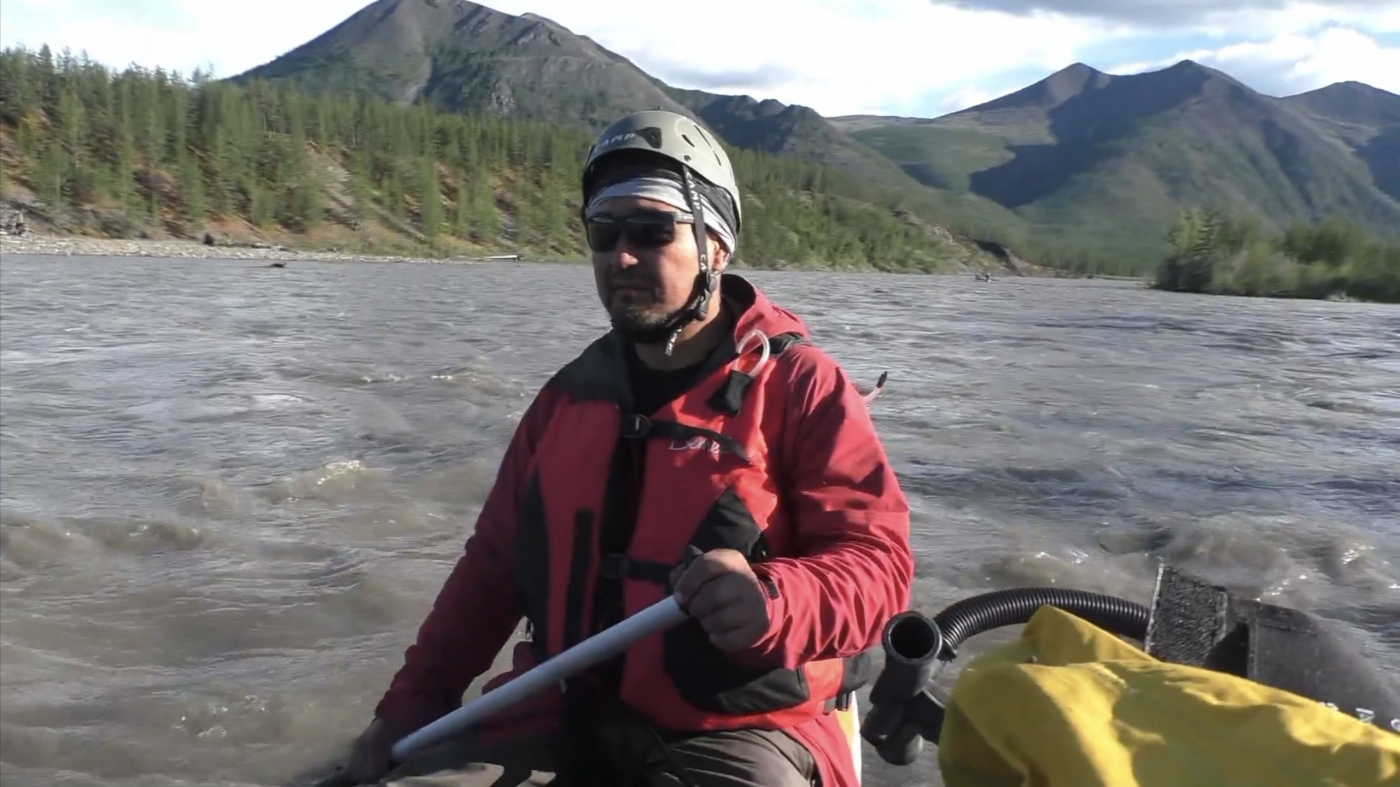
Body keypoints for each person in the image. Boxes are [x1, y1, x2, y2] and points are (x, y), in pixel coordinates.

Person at [340, 110, 914, 787]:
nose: (622, 256)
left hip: (733, 731)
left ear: (715, 247)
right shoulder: (564, 400)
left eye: (651, 230)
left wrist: (775, 599)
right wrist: (410, 705)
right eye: (604, 233)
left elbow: (881, 569)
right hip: (564, 710)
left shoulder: (802, 385)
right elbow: (491, 570)